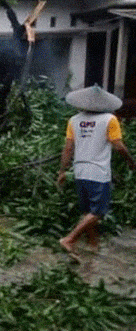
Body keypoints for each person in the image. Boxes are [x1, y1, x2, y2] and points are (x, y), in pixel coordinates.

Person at [57, 85, 136, 256]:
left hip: (80, 172)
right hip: (98, 173)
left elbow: (68, 149)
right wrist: (131, 161)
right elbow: (119, 146)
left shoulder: (74, 120)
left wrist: (62, 171)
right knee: (98, 212)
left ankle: (93, 247)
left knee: (88, 212)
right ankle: (69, 239)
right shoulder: (109, 119)